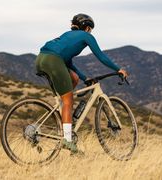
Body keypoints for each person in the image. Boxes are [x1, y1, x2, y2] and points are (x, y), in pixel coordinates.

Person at [35, 13, 128, 154]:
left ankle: (64, 119)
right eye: (90, 29)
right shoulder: (86, 36)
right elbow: (101, 56)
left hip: (41, 59)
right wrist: (118, 69)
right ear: (87, 27)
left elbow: (68, 63)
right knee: (68, 100)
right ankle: (67, 140)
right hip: (53, 61)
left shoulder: (67, 35)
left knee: (74, 78)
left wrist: (85, 78)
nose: (90, 32)